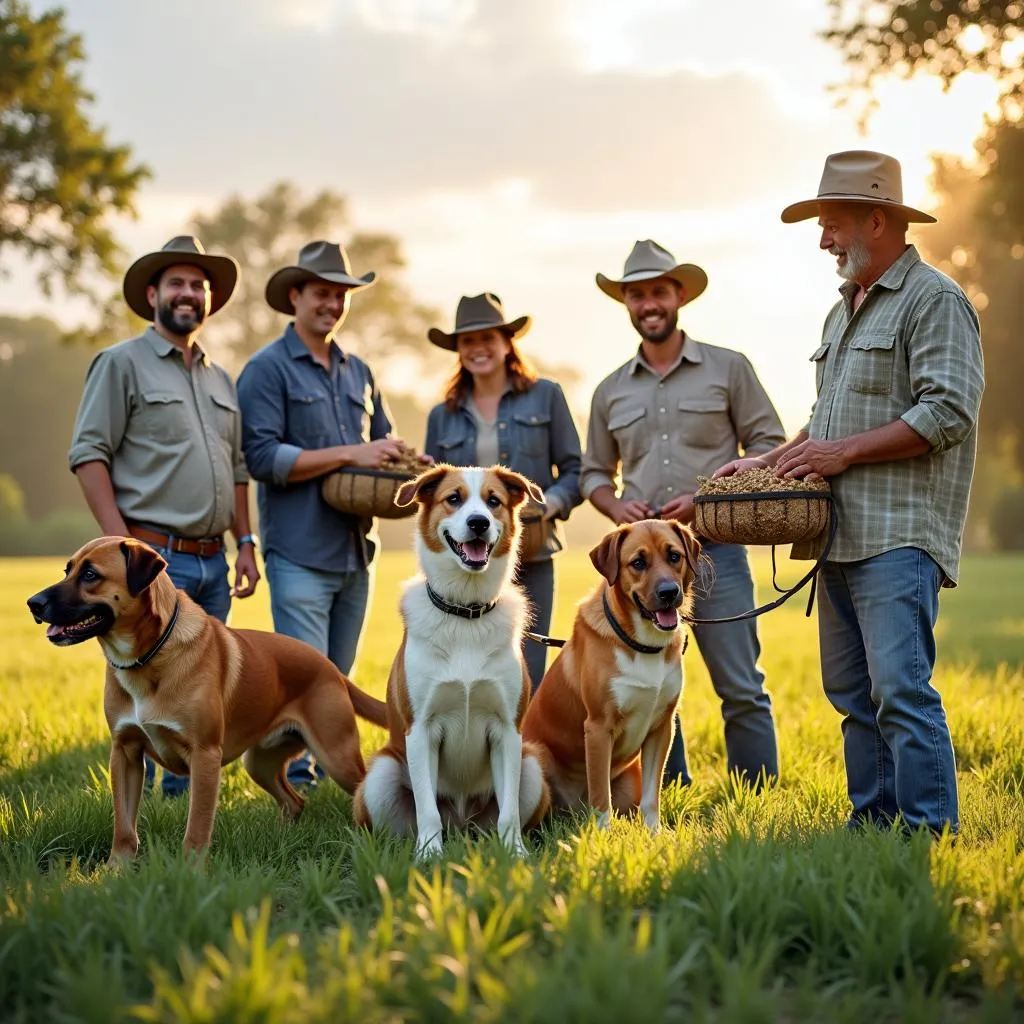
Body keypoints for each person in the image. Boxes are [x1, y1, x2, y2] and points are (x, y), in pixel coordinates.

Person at [717, 150, 984, 835]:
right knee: (849, 694)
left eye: (832, 223)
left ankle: (928, 834)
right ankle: (873, 826)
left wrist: (842, 454)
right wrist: (767, 463)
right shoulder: (840, 315)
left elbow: (947, 413)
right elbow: (827, 422)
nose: (823, 240)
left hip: (898, 536)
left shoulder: (935, 300)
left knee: (899, 690)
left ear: (877, 218)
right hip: (836, 535)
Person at [581, 239, 786, 790]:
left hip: (715, 553)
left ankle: (758, 796)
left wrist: (707, 498)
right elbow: (593, 473)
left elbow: (768, 442)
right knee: (650, 688)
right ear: (626, 302)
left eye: (658, 291)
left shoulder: (728, 368)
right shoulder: (609, 391)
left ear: (679, 296)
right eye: (637, 294)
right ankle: (666, 797)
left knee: (740, 683)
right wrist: (615, 504)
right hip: (640, 571)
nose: (648, 303)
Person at [69, 235, 260, 798]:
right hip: (149, 562)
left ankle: (183, 819)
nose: (188, 293)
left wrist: (245, 542)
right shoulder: (120, 363)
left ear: (208, 300)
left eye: (198, 286)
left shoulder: (220, 379)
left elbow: (239, 467)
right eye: (176, 283)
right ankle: (148, 831)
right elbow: (88, 454)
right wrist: (117, 546)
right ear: (152, 294)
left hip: (212, 563)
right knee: (144, 705)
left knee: (198, 711)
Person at [237, 240, 413, 788]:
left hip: (356, 551)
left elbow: (379, 440)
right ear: (295, 296)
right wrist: (351, 454)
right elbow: (262, 457)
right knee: (307, 677)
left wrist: (406, 457)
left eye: (341, 295)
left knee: (336, 680)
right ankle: (309, 782)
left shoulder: (358, 370)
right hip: (298, 551)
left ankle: (314, 776)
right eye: (321, 293)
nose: (332, 304)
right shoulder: (266, 370)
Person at [423, 293, 582, 690]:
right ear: (458, 350)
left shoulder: (547, 395)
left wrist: (550, 505)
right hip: (464, 561)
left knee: (526, 669)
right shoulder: (442, 415)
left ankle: (527, 750)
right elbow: (435, 491)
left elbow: (575, 470)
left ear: (507, 342)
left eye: (488, 338)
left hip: (532, 552)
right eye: (467, 341)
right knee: (461, 668)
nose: (478, 349)